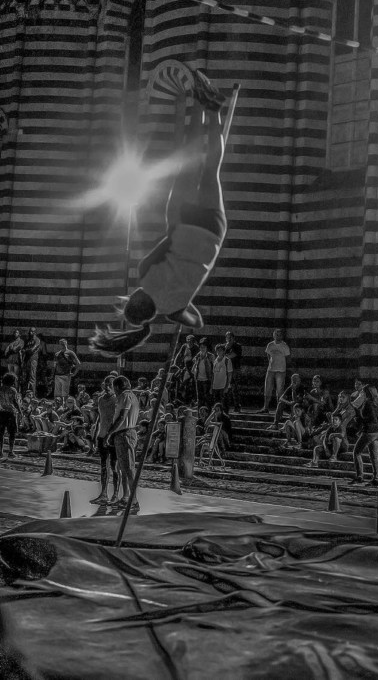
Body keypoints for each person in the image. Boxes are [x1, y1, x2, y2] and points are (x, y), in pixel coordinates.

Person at [90, 68, 229, 356]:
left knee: (211, 171)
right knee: (188, 164)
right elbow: (167, 242)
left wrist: (184, 301)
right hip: (184, 225)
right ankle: (199, 104)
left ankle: (213, 111)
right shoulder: (144, 273)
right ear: (136, 296)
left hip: (213, 234)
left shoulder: (175, 309)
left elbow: (198, 322)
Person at [106, 376, 140, 512]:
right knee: (123, 467)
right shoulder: (132, 396)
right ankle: (126, 497)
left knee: (129, 468)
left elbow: (122, 416)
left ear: (117, 387)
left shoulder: (125, 396)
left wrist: (110, 433)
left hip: (125, 434)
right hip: (125, 433)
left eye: (114, 388)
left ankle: (133, 500)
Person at [90, 376, 120, 505]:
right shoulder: (101, 399)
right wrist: (95, 434)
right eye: (106, 384)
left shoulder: (117, 399)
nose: (107, 386)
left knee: (114, 466)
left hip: (113, 436)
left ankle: (115, 494)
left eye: (110, 384)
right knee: (104, 466)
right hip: (102, 435)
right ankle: (103, 494)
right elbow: (99, 418)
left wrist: (112, 434)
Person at [350, 385, 378, 488]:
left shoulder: (367, 402)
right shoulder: (375, 402)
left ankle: (359, 476)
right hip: (376, 432)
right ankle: (376, 478)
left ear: (366, 393)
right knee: (374, 456)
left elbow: (368, 417)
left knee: (356, 452)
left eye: (362, 392)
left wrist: (358, 416)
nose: (361, 393)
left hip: (369, 431)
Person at [260, 329, 291, 413]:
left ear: (282, 336)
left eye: (280, 334)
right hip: (271, 370)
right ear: (274, 335)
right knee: (267, 388)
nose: (278, 336)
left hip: (281, 371)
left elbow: (288, 358)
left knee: (280, 390)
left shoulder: (284, 346)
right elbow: (268, 355)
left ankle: (279, 409)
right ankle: (265, 407)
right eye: (276, 334)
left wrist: (281, 365)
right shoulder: (270, 345)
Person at [0, 373, 22, 459]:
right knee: (12, 433)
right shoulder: (13, 390)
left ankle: (0, 452)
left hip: (1, 412)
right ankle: (10, 451)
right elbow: (15, 402)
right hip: (10, 413)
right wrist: (20, 411)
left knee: (1, 433)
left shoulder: (0, 389)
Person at [192, 338, 214, 407]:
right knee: (199, 398)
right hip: (198, 379)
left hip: (207, 379)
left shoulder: (211, 356)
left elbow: (214, 368)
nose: (202, 348)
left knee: (207, 397)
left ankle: (208, 411)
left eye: (204, 347)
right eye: (201, 347)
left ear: (207, 347)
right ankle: (200, 412)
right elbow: (194, 366)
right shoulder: (197, 356)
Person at [223, 330, 242, 412]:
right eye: (227, 337)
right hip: (226, 369)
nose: (229, 339)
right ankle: (225, 406)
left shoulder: (237, 346)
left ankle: (237, 406)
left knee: (234, 388)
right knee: (225, 387)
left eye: (230, 337)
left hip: (235, 369)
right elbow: (220, 356)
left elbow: (233, 355)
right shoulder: (224, 346)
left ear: (233, 338)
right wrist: (225, 349)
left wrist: (225, 355)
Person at [22, 328, 41, 394]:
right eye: (30, 331)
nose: (30, 333)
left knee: (32, 376)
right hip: (26, 359)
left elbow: (32, 350)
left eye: (32, 331)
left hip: (33, 359)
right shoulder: (28, 340)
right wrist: (25, 350)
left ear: (35, 332)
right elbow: (23, 349)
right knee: (26, 376)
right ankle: (26, 392)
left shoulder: (37, 340)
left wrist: (25, 350)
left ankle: (32, 393)